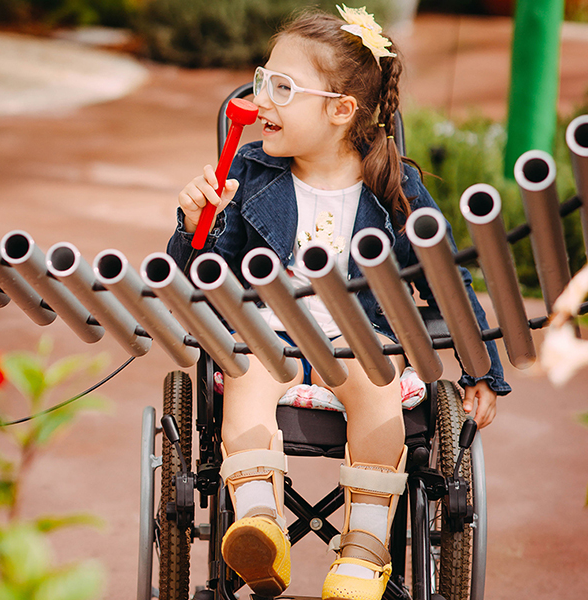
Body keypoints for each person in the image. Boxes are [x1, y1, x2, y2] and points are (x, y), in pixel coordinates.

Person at [167, 5, 511, 600]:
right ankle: (260, 528)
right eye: (260, 80)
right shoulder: (248, 175)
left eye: (282, 88)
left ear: (339, 110)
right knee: (244, 368)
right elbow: (198, 278)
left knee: (378, 386)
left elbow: (446, 282)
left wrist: (481, 370)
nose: (261, 101)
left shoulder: (396, 188)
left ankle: (363, 551)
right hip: (269, 335)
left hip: (361, 342)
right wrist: (196, 225)